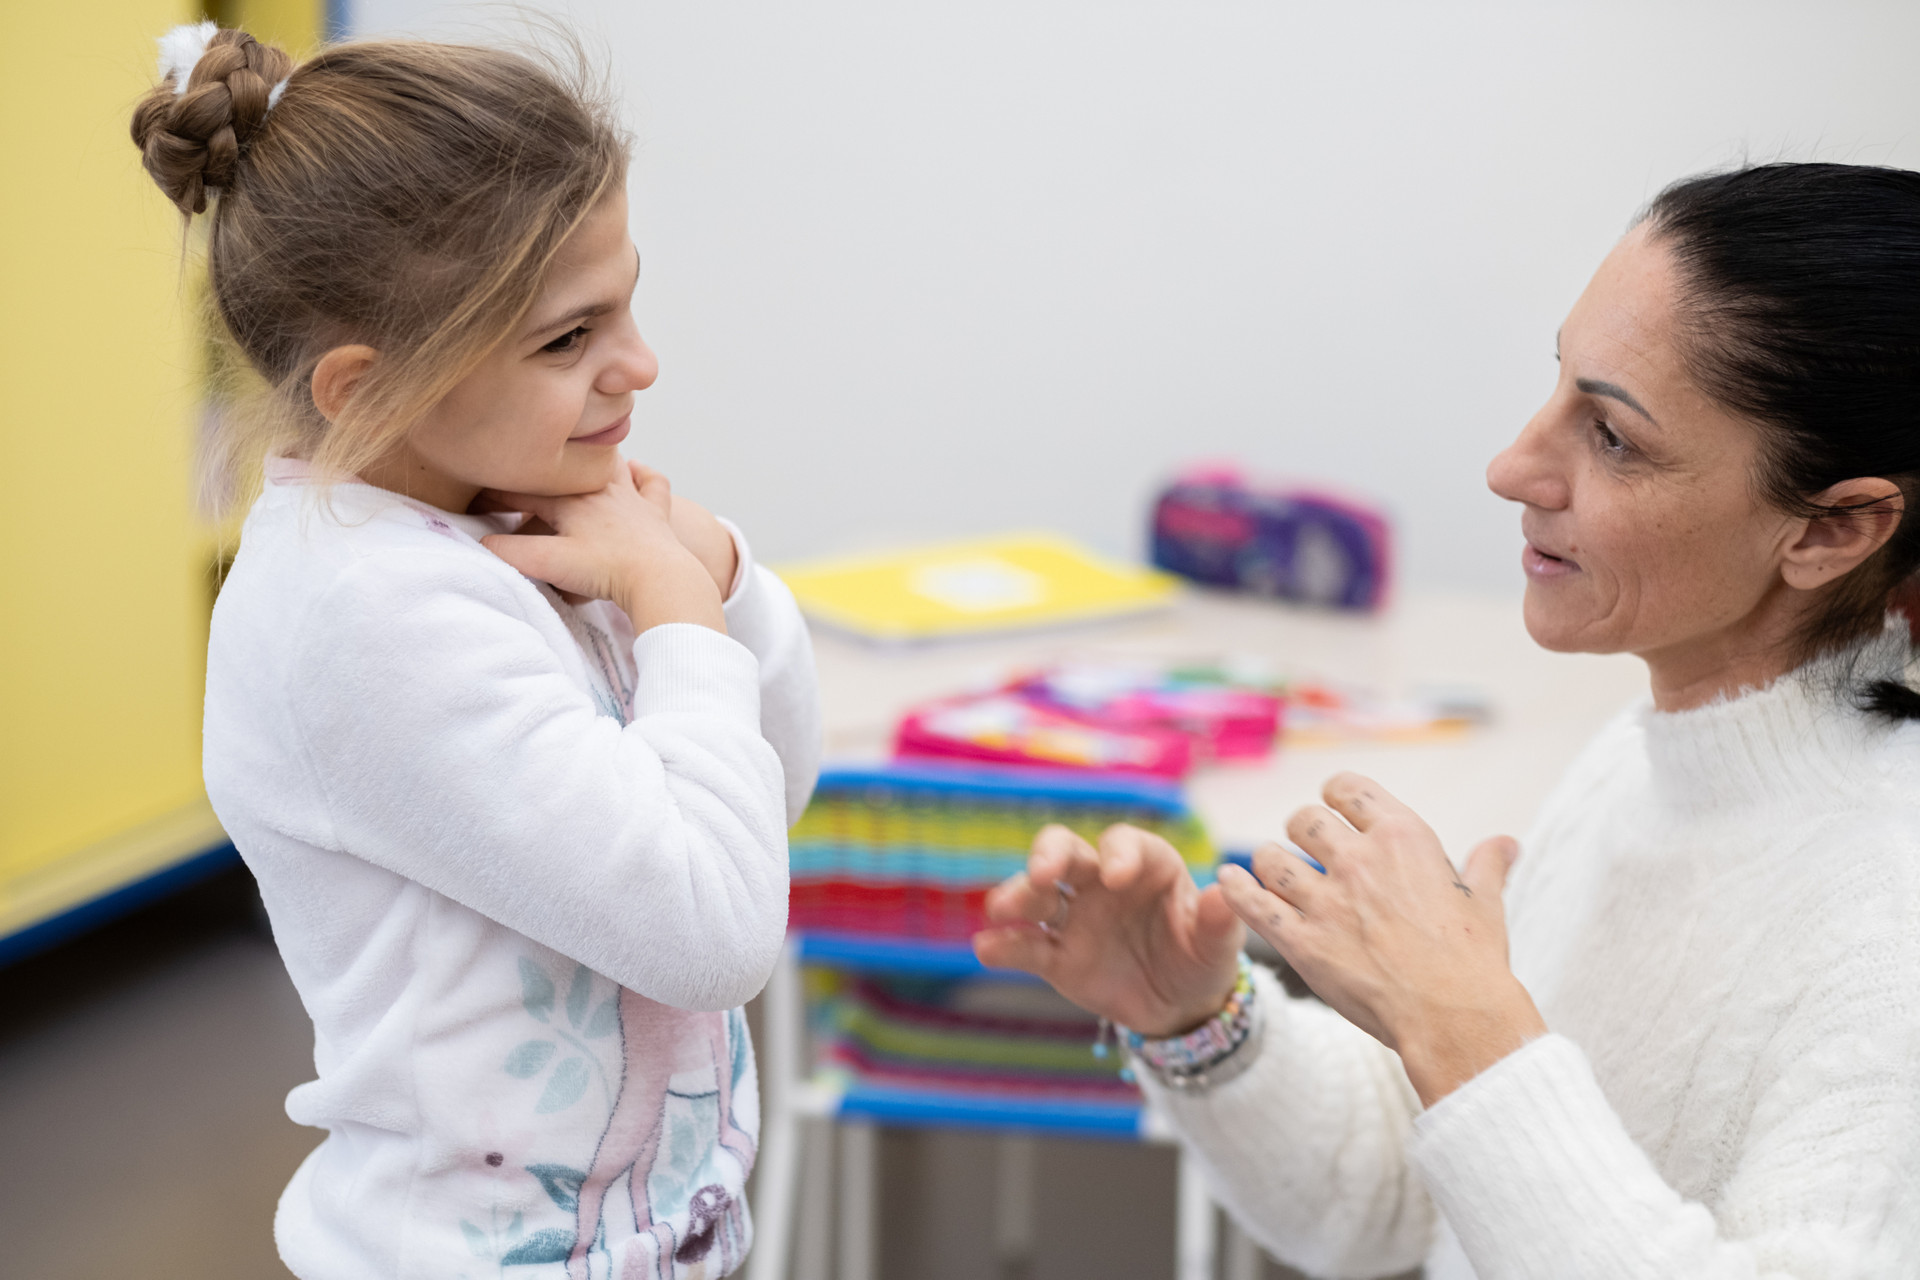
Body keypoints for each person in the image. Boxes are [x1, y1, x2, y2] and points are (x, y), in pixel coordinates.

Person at [977, 162, 1920, 1279]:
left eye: (1612, 436)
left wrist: (1465, 1027)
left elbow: (1489, 1098)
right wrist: (1196, 1021)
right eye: (1558, 386)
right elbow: (1411, 1199)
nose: (1514, 466)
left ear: (1832, 529)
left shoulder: (1889, 912)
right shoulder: (1639, 765)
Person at [133, 23, 819, 1280]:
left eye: (626, 300)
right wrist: (674, 603)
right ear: (364, 389)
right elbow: (716, 931)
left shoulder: (503, 510)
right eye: (568, 338)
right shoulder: (364, 614)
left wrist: (720, 577)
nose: (640, 363)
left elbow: (762, 799)